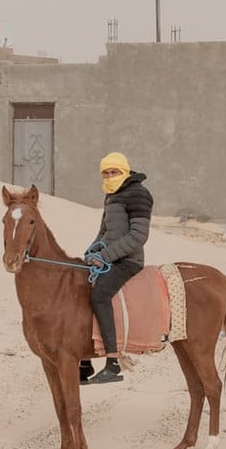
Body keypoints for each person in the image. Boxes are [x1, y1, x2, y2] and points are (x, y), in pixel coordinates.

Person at [79, 152, 154, 384]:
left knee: (100, 295)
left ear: (125, 171)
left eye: (114, 172)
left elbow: (138, 236)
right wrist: (91, 252)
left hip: (127, 262)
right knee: (78, 287)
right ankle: (84, 360)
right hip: (107, 258)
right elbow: (104, 232)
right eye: (106, 173)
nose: (110, 176)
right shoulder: (111, 195)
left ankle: (112, 363)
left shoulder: (139, 194)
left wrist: (106, 257)